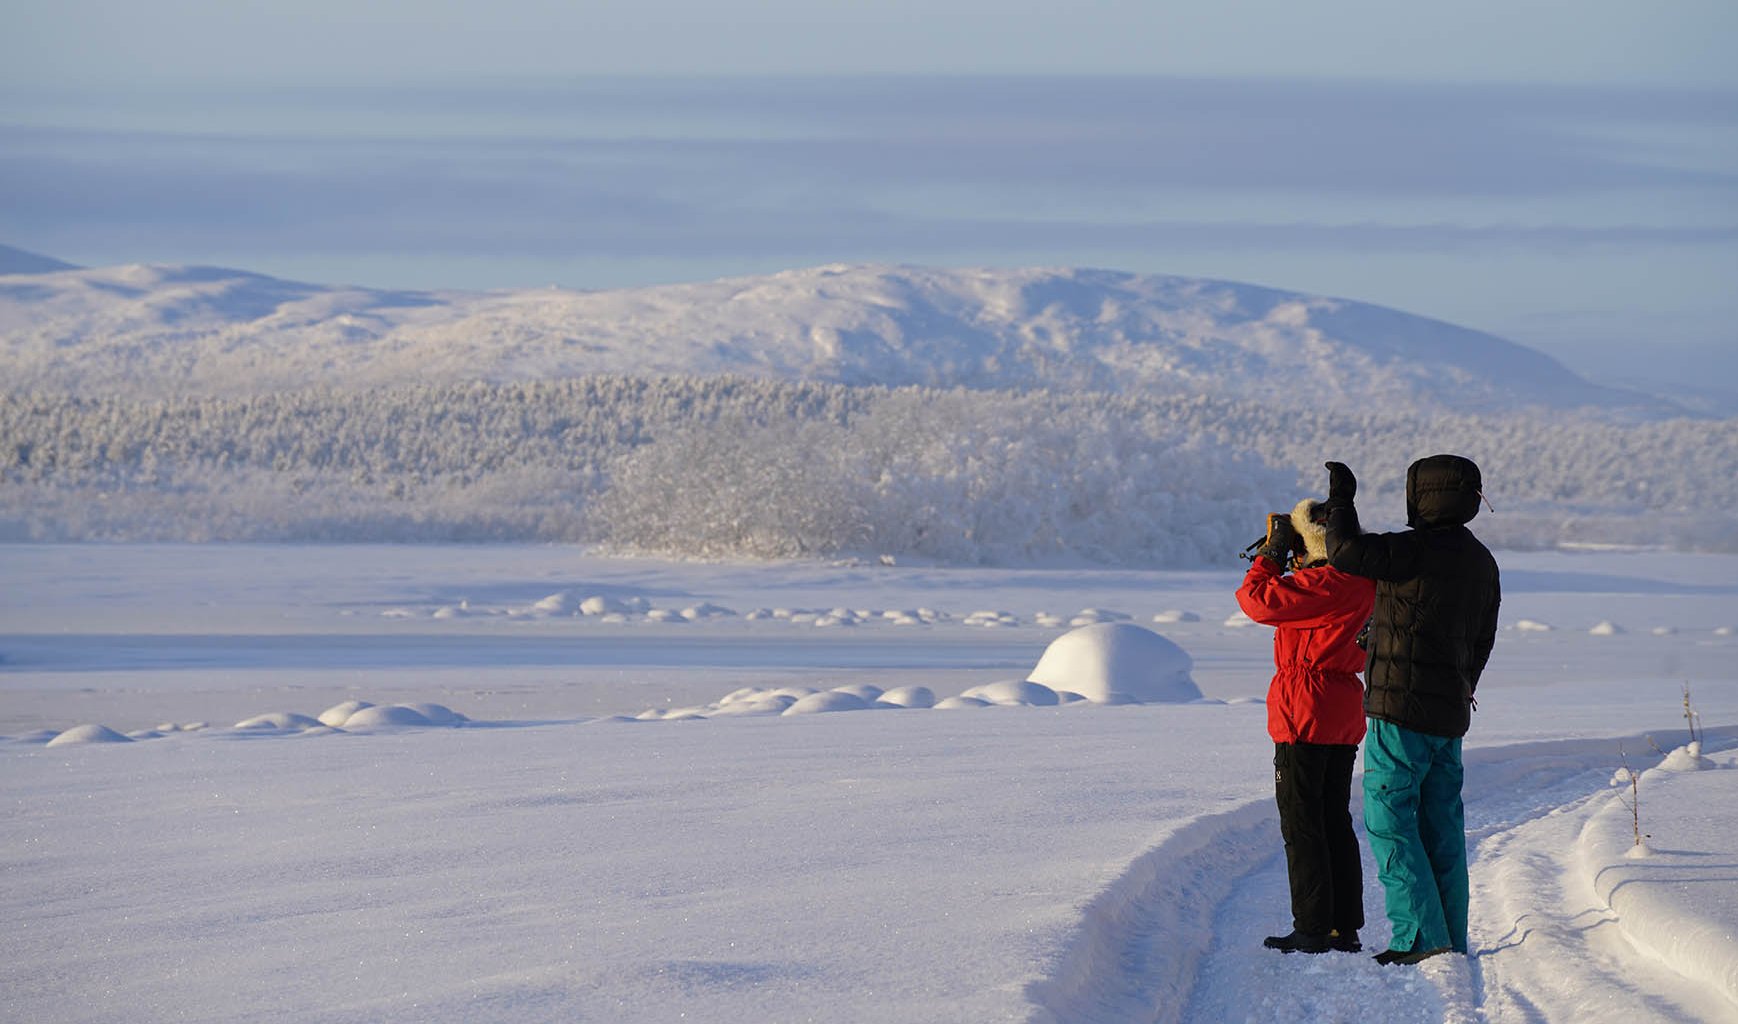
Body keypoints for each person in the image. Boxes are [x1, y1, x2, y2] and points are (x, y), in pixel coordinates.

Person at [1321, 455, 1500, 966]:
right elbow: (1483, 640)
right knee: (1442, 824)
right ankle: (1451, 936)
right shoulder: (1482, 562)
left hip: (1399, 712)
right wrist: (1460, 687)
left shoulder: (1412, 549)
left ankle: (1420, 936)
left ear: (1421, 495)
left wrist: (1341, 502)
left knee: (1390, 819)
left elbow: (1345, 552)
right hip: (1449, 717)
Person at [1236, 497, 1376, 954]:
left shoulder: (1324, 584)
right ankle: (1342, 926)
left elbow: (1255, 601)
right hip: (1339, 709)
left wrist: (1271, 554)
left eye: (1298, 543)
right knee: (1334, 820)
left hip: (1305, 711)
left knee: (1302, 824)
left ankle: (1313, 927)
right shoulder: (1361, 583)